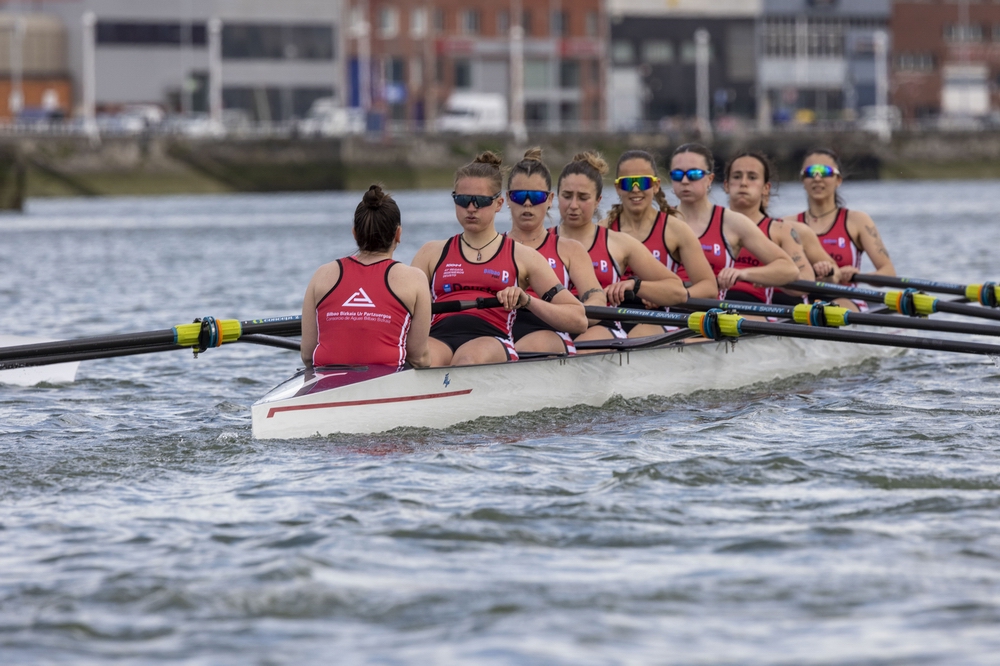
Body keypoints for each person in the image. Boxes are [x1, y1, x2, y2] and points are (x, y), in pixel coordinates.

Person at [411, 151, 587, 366]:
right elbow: (402, 309)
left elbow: (578, 319)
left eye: (481, 201)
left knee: (466, 360)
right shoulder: (431, 253)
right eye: (463, 200)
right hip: (438, 337)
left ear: (499, 203)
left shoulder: (523, 256)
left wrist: (527, 300)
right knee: (418, 360)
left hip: (491, 339)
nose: (471, 208)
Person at [555, 151, 688, 341]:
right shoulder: (539, 241)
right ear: (556, 197)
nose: (574, 205)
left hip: (601, 327)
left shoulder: (619, 242)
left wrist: (636, 285)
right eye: (567, 196)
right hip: (554, 325)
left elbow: (678, 292)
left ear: (598, 201)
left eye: (583, 197)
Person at [301, 184, 431, 369]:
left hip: (325, 379)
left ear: (355, 233)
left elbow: (307, 355)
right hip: (387, 380)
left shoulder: (322, 274)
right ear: (398, 234)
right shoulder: (414, 279)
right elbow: (418, 358)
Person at [505, 148, 606, 355]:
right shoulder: (492, 247)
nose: (527, 203)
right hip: (500, 331)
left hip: (551, 332)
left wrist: (571, 315)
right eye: (519, 196)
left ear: (550, 199)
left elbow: (597, 299)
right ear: (507, 198)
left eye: (536, 196)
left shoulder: (569, 249)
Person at [669, 143, 798, 303]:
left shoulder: (732, 222)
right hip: (663, 309)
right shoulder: (659, 219)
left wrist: (743, 273)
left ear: (710, 179)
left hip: (709, 314)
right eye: (677, 174)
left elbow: (789, 269)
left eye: (694, 174)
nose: (684, 180)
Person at [603, 149, 718, 300]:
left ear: (656, 185)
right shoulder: (602, 229)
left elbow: (709, 287)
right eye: (627, 183)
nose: (636, 189)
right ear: (618, 188)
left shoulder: (676, 230)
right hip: (614, 311)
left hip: (661, 311)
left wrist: (666, 295)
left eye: (644, 182)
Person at [723, 150, 830, 305]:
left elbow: (806, 281)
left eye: (752, 177)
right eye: (737, 176)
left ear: (766, 188)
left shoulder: (781, 231)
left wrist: (762, 276)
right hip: (712, 307)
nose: (743, 183)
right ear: (726, 185)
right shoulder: (709, 224)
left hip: (756, 309)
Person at [785, 148, 896, 296]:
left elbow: (888, 272)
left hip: (845, 298)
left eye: (825, 172)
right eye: (810, 172)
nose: (817, 178)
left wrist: (857, 275)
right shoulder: (787, 224)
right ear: (802, 180)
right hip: (802, 301)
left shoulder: (857, 221)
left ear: (838, 180)